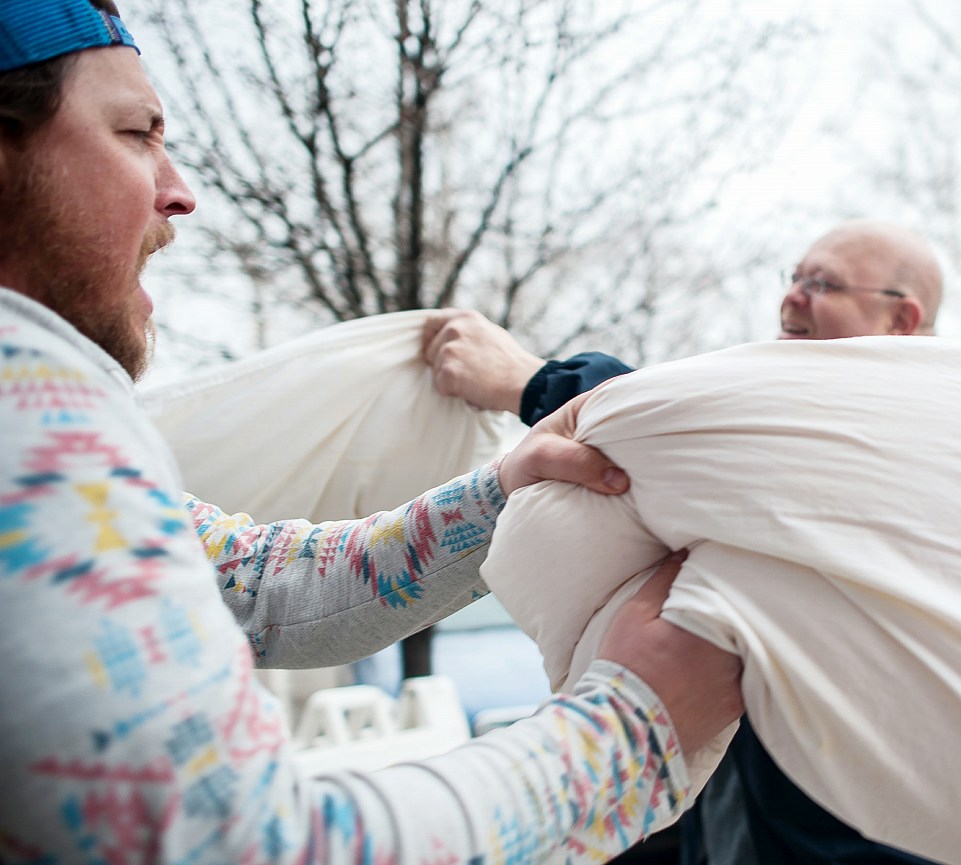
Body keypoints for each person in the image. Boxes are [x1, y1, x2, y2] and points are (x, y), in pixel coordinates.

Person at [0, 2, 743, 863]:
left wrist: (501, 498)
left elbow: (263, 586)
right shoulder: (34, 407)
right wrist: (632, 736)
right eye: (136, 133)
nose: (179, 190)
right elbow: (238, 844)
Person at [423, 219, 945, 864]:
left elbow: (708, 447)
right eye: (794, 277)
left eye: (823, 284)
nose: (792, 298)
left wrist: (532, 383)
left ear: (902, 318)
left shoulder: (906, 441)